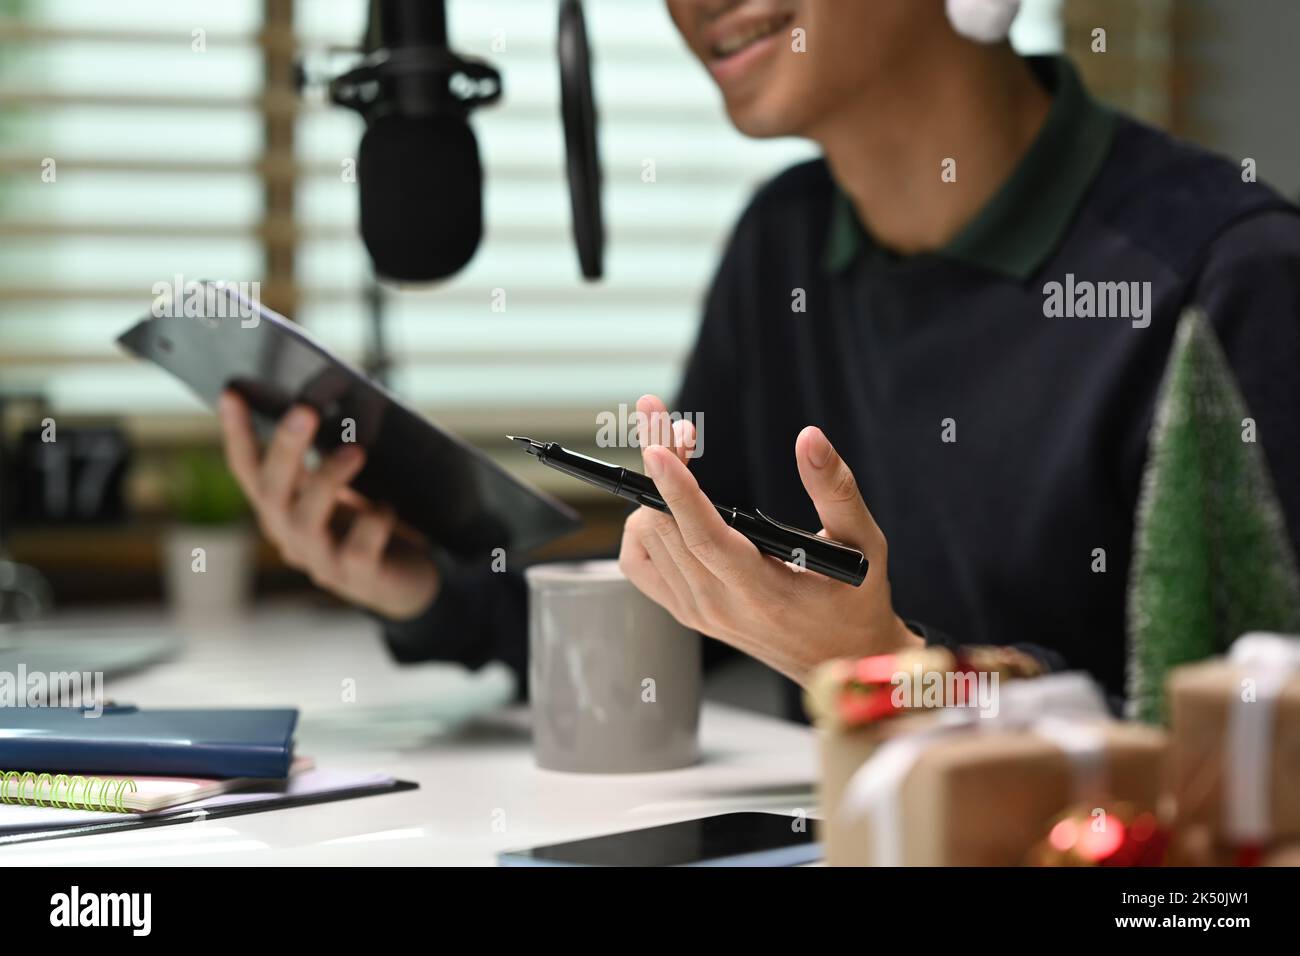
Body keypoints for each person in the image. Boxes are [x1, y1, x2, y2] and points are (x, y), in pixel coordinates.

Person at [219, 0, 1300, 718]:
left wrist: (898, 672)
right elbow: (689, 613)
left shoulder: (1228, 278)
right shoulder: (782, 244)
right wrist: (422, 586)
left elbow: (1245, 756)